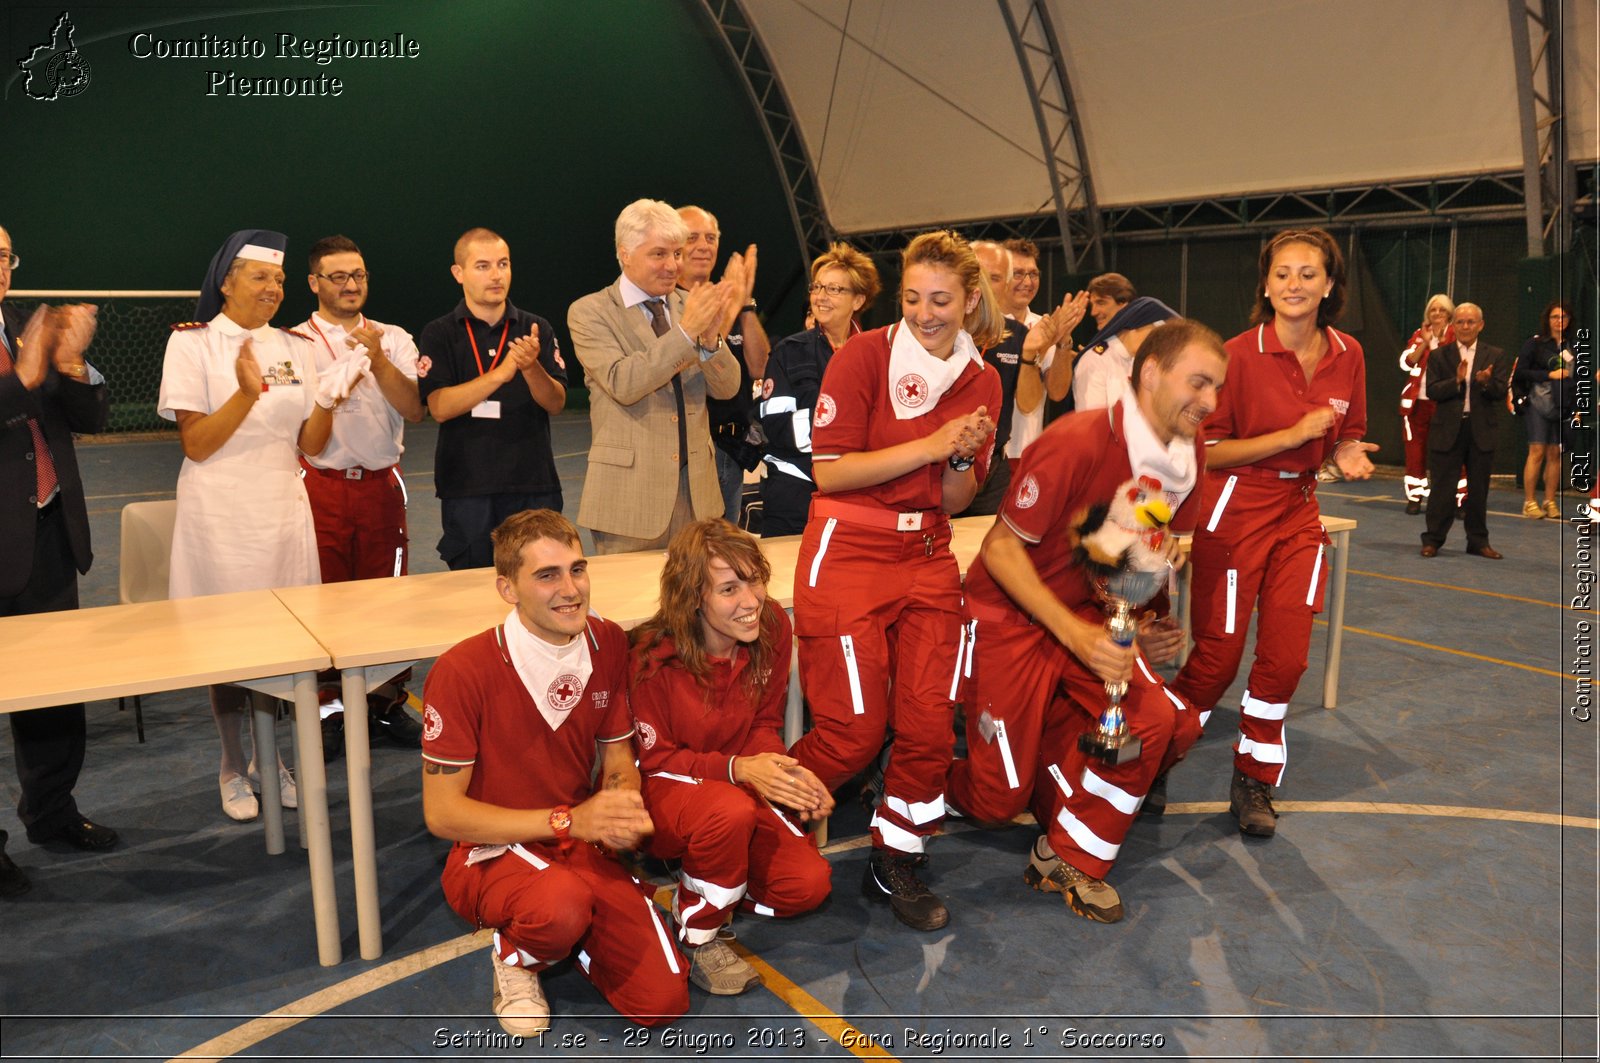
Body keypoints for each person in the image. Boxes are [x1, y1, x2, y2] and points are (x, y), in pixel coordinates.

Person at [948, 319, 1225, 921]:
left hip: (1082, 612)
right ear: (1150, 374)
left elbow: (1147, 541)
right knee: (998, 800)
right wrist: (1074, 634)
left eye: (1217, 388)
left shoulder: (1187, 452)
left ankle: (1070, 854)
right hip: (1010, 614)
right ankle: (932, 772)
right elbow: (999, 551)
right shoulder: (1076, 441)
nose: (1210, 402)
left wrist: (1139, 620)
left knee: (1158, 723)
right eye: (1199, 383)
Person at [787, 229, 1002, 930]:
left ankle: (898, 857)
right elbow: (831, 470)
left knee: (929, 723)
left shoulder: (983, 378)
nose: (925, 312)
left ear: (970, 299)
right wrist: (934, 444)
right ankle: (753, 821)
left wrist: (963, 461)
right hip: (847, 547)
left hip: (929, 553)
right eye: (912, 297)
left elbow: (955, 499)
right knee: (852, 731)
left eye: (941, 299)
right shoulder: (861, 355)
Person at [422, 509, 687, 1035]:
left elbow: (617, 758)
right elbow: (444, 814)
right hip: (489, 852)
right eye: (547, 575)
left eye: (578, 569)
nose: (571, 589)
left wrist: (621, 805)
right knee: (560, 905)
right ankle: (516, 956)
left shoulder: (608, 641)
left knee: (662, 1003)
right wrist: (572, 821)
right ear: (507, 588)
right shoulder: (462, 670)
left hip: (574, 839)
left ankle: (572, 932)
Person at [1167, 227, 1378, 839]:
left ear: (1329, 285)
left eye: (1308, 274)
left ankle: (1254, 779)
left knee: (1286, 659)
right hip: (1235, 506)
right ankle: (1153, 759)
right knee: (1215, 660)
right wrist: (1292, 435)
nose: (1294, 284)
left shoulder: (1350, 353)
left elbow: (1348, 431)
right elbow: (1207, 453)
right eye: (1282, 273)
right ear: (1265, 284)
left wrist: (1350, 452)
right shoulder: (1232, 355)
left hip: (1299, 510)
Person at [158, 229, 334, 821]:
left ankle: (272, 757)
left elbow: (308, 442)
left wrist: (329, 400)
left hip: (283, 508)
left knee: (285, 644)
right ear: (226, 281)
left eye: (280, 279)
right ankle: (233, 764)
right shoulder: (194, 346)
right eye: (260, 276)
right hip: (221, 514)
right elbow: (197, 445)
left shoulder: (296, 347)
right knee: (228, 646)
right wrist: (243, 394)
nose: (273, 288)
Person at [628, 519, 832, 995]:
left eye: (755, 580)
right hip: (662, 789)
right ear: (693, 597)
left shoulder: (774, 628)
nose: (751, 601)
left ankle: (708, 869)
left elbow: (763, 724)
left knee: (806, 887)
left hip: (729, 788)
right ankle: (698, 931)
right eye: (728, 588)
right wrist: (739, 770)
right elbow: (654, 760)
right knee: (730, 810)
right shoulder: (651, 656)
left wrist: (785, 774)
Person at [0, 225, 116, 897]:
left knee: (52, 691)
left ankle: (51, 811)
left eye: (6, 256)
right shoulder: (22, 343)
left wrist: (73, 365)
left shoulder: (22, 323)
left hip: (46, 533)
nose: (2, 268)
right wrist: (27, 371)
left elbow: (88, 417)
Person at [298, 235, 425, 755]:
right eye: (339, 277)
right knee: (322, 597)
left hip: (378, 486)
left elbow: (414, 410)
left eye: (360, 275)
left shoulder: (394, 337)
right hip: (320, 486)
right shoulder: (294, 343)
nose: (352, 286)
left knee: (385, 599)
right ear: (315, 283)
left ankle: (385, 702)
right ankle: (329, 707)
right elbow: (303, 432)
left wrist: (377, 360)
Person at [568, 199, 745, 555]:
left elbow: (728, 388)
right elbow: (623, 382)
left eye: (677, 254)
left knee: (699, 606)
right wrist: (685, 334)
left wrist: (710, 342)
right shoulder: (590, 312)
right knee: (631, 607)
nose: (672, 265)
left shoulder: (687, 304)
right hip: (629, 501)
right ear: (625, 254)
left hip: (699, 499)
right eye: (659, 254)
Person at [417, 229, 567, 570]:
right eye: (483, 266)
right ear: (459, 273)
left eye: (503, 264)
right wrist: (500, 374)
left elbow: (555, 403)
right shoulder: (439, 333)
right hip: (467, 488)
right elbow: (439, 407)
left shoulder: (535, 328)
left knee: (539, 581)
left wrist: (530, 369)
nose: (497, 275)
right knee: (471, 591)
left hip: (534, 485)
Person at [756, 242, 880, 536]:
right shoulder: (789, 351)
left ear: (858, 300)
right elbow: (775, 426)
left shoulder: (878, 352)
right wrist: (847, 431)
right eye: (817, 287)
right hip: (796, 495)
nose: (821, 297)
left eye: (835, 290)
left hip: (860, 493)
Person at [960, 241, 1075, 516]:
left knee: (993, 542)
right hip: (951, 457)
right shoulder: (942, 326)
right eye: (986, 276)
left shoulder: (1021, 331)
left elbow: (1035, 400)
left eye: (998, 277)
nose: (1025, 281)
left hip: (1003, 461)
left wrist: (1055, 345)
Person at [678, 206, 770, 524]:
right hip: (693, 456)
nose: (705, 245)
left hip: (731, 451)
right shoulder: (669, 305)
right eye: (693, 237)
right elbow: (690, 362)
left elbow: (760, 367)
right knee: (693, 554)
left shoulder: (730, 295)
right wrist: (730, 305)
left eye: (711, 237)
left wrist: (744, 304)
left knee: (722, 555)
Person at [1420, 302, 1510, 558]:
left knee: (1479, 490)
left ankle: (1478, 542)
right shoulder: (1440, 355)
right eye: (1460, 322)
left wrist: (1486, 382)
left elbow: (1500, 391)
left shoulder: (1495, 355)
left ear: (1480, 325)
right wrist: (1457, 381)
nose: (1465, 326)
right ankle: (1433, 540)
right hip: (1447, 430)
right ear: (1453, 325)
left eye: (1471, 322)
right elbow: (1433, 391)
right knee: (1441, 490)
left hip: (1481, 430)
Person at [998, 239, 1085, 462]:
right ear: (999, 276)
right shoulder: (983, 326)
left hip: (1028, 453)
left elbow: (1057, 392)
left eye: (1033, 274)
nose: (1027, 282)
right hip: (987, 455)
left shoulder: (1043, 325)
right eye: (1018, 273)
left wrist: (1063, 341)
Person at [1514, 300, 1575, 519]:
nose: (1559, 321)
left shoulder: (1571, 346)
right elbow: (1520, 372)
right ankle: (1529, 501)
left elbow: (1575, 379)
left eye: (1564, 317)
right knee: (1537, 451)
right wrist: (1547, 375)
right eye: (1555, 317)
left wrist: (1575, 408)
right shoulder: (1535, 343)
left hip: (1562, 406)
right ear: (1547, 320)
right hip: (1537, 404)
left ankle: (1550, 500)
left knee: (1555, 453)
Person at [1397, 294, 1457, 514]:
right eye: (1433, 310)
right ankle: (1415, 496)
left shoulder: (1455, 334)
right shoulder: (1418, 335)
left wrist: (1439, 340)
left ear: (1450, 313)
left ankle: (1458, 499)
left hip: (1445, 403)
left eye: (1442, 310)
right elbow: (1406, 363)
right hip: (1416, 403)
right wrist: (1424, 341)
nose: (1437, 314)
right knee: (1415, 453)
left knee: (1451, 452)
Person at [1072, 296, 1179, 411]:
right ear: (1136, 325)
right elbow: (1091, 421)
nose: (1158, 344)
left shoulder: (1141, 363)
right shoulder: (1095, 361)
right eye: (1156, 335)